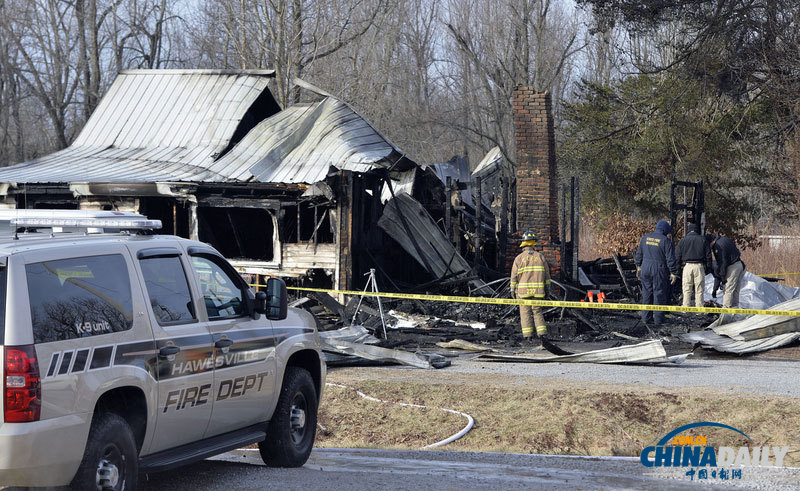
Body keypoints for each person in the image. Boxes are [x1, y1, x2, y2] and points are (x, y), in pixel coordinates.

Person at [634, 220, 679, 325]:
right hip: (659, 269)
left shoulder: (645, 237)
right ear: (665, 230)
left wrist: (638, 266)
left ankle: (646, 318)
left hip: (645, 268)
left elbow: (639, 254)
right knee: (659, 293)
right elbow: (670, 259)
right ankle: (658, 319)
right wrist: (673, 272)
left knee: (646, 293)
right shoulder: (666, 241)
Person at [510, 230, 551, 342]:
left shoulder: (519, 258)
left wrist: (512, 289)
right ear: (534, 243)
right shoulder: (541, 257)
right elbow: (547, 276)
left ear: (523, 243)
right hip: (538, 291)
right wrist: (547, 290)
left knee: (525, 312)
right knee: (537, 312)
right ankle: (542, 334)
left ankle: (528, 336)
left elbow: (514, 276)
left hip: (523, 292)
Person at [675, 221, 712, 308]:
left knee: (686, 289)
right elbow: (708, 256)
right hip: (699, 266)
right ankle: (699, 309)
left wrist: (677, 270)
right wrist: (708, 268)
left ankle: (686, 307)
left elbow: (677, 257)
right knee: (699, 289)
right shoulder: (703, 240)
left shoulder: (682, 241)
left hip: (687, 267)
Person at [707, 234, 745, 310]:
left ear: (710, 242)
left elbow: (723, 262)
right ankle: (735, 308)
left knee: (728, 289)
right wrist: (715, 288)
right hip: (740, 264)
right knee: (735, 289)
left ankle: (726, 309)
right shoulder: (724, 240)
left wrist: (723, 277)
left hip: (733, 267)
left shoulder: (717, 246)